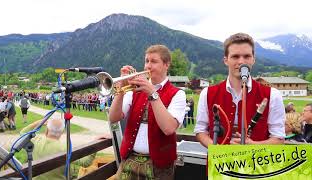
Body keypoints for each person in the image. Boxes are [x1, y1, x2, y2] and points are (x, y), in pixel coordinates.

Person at [109, 44, 186, 179]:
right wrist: (121, 89)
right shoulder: (133, 90)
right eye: (146, 61)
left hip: (159, 167)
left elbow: (168, 128)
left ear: (166, 65)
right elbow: (113, 118)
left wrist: (152, 92)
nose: (148, 66)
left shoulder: (178, 94)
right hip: (129, 159)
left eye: (154, 61)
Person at [194, 33, 285, 147]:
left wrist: (253, 146)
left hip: (256, 163)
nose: (241, 61)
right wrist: (218, 151)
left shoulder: (273, 95)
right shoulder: (207, 93)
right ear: (226, 60)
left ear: (253, 60)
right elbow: (200, 130)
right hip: (219, 164)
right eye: (235, 56)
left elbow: (279, 138)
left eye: (247, 56)